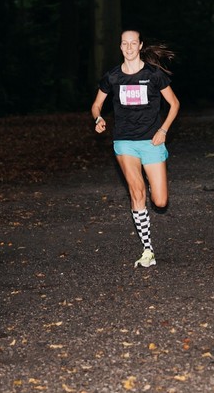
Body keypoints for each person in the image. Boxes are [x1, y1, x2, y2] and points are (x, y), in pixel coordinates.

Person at [91, 30, 180, 268]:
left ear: (140, 45)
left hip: (152, 141)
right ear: (120, 47)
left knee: (160, 201)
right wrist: (98, 118)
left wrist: (163, 130)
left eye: (133, 43)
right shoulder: (112, 76)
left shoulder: (154, 74)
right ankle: (147, 249)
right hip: (124, 142)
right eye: (125, 43)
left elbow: (174, 104)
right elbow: (96, 105)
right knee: (137, 192)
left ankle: (151, 180)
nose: (129, 47)